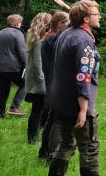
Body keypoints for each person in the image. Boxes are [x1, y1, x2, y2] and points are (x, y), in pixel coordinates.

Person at [48, 0, 102, 176]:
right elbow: (83, 76)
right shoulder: (83, 39)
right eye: (96, 14)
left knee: (66, 143)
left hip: (62, 101)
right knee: (89, 148)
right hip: (77, 104)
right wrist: (84, 108)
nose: (100, 16)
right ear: (86, 18)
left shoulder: (67, 33)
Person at [40, 11, 69, 162]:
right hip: (55, 83)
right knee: (56, 120)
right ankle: (51, 155)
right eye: (67, 23)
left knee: (51, 119)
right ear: (60, 24)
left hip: (52, 82)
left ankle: (44, 152)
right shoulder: (53, 39)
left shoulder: (50, 37)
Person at [0, 14, 28, 118]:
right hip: (12, 67)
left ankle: (0, 114)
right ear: (17, 23)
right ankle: (14, 107)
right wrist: (27, 65)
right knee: (26, 84)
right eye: (20, 22)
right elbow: (21, 51)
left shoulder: (0, 33)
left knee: (3, 90)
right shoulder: (18, 33)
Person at [25, 12, 52, 144]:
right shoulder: (40, 41)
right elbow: (38, 62)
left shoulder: (35, 38)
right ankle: (32, 138)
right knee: (38, 110)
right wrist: (43, 79)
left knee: (40, 109)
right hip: (40, 81)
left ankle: (37, 134)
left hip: (37, 80)